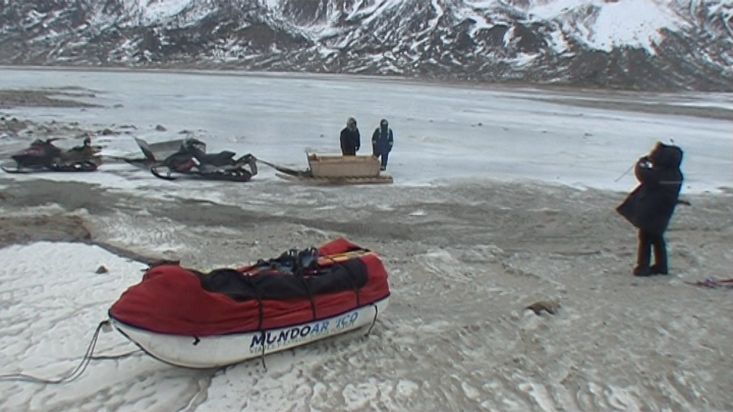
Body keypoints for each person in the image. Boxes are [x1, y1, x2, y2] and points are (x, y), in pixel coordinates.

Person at [616, 142, 684, 276]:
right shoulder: (675, 175)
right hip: (662, 213)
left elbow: (643, 174)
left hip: (652, 212)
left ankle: (643, 267)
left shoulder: (661, 176)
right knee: (657, 238)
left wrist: (642, 162)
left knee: (646, 239)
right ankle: (661, 266)